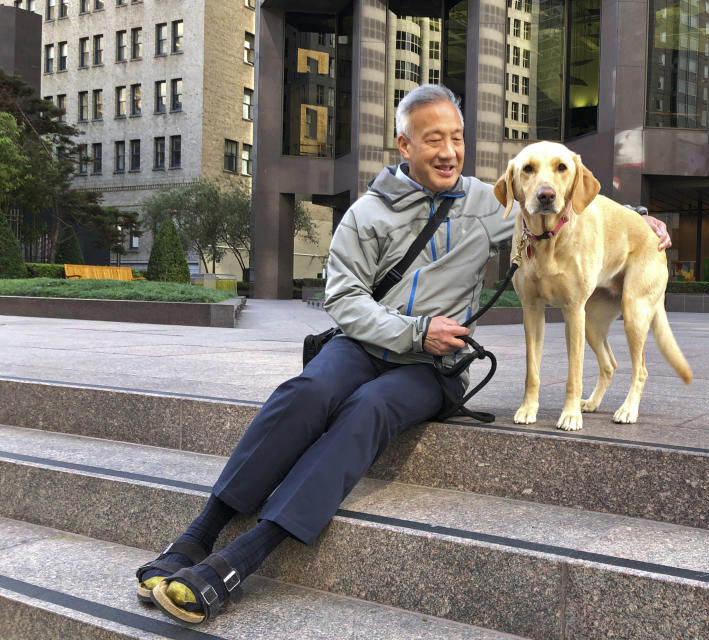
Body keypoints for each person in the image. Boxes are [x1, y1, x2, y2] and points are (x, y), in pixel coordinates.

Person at [136, 83, 671, 625]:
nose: (448, 151)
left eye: (457, 139)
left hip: (433, 369)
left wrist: (643, 219)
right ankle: (195, 538)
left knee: (368, 410)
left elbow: (559, 194)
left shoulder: (487, 204)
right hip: (368, 345)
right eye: (433, 139)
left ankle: (238, 561)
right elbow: (343, 297)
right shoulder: (366, 213)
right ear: (404, 145)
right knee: (307, 392)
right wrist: (415, 331)